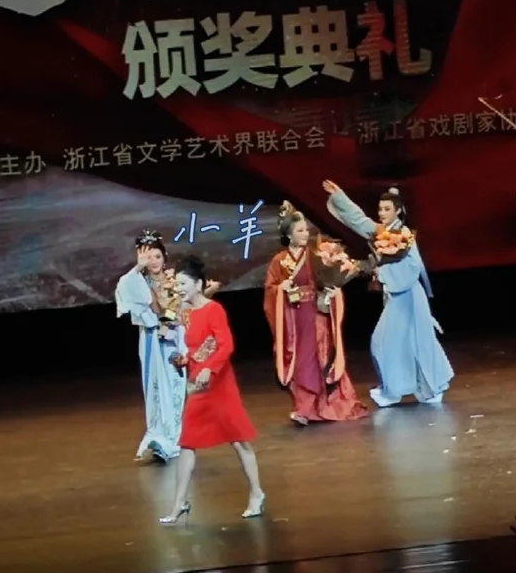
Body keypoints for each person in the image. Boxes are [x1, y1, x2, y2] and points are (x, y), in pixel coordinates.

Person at [323, 181, 454, 407]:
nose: (382, 213)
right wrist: (339, 197)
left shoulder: (403, 235)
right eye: (380, 209)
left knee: (389, 342)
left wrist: (379, 272)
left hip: (408, 295)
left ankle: (403, 391)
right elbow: (360, 221)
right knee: (407, 344)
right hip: (397, 294)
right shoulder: (383, 232)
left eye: (387, 209)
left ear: (398, 211)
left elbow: (412, 267)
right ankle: (421, 389)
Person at [160, 256, 264, 524]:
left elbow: (226, 345)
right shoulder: (185, 312)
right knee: (187, 442)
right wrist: (185, 361)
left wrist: (210, 368)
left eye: (183, 284)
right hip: (197, 384)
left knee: (238, 439)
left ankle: (256, 493)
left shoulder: (214, 309)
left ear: (198, 284)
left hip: (219, 383)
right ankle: (179, 503)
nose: (179, 289)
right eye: (177, 284)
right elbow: (195, 347)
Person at [264, 200, 370, 425]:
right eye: (300, 231)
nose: (305, 234)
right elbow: (270, 290)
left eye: (306, 230)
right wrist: (281, 289)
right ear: (289, 235)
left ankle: (318, 406)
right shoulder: (278, 261)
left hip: (316, 315)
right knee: (300, 363)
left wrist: (332, 292)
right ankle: (304, 408)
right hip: (294, 319)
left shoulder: (316, 256)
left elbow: (327, 281)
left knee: (318, 360)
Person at [115, 231, 186, 462]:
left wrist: (174, 319)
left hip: (174, 339)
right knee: (155, 389)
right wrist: (138, 267)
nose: (153, 261)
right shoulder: (139, 281)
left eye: (157, 256)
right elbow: (124, 286)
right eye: (149, 257)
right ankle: (157, 436)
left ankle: (172, 438)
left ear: (165, 257)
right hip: (151, 340)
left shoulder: (174, 280)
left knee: (174, 387)